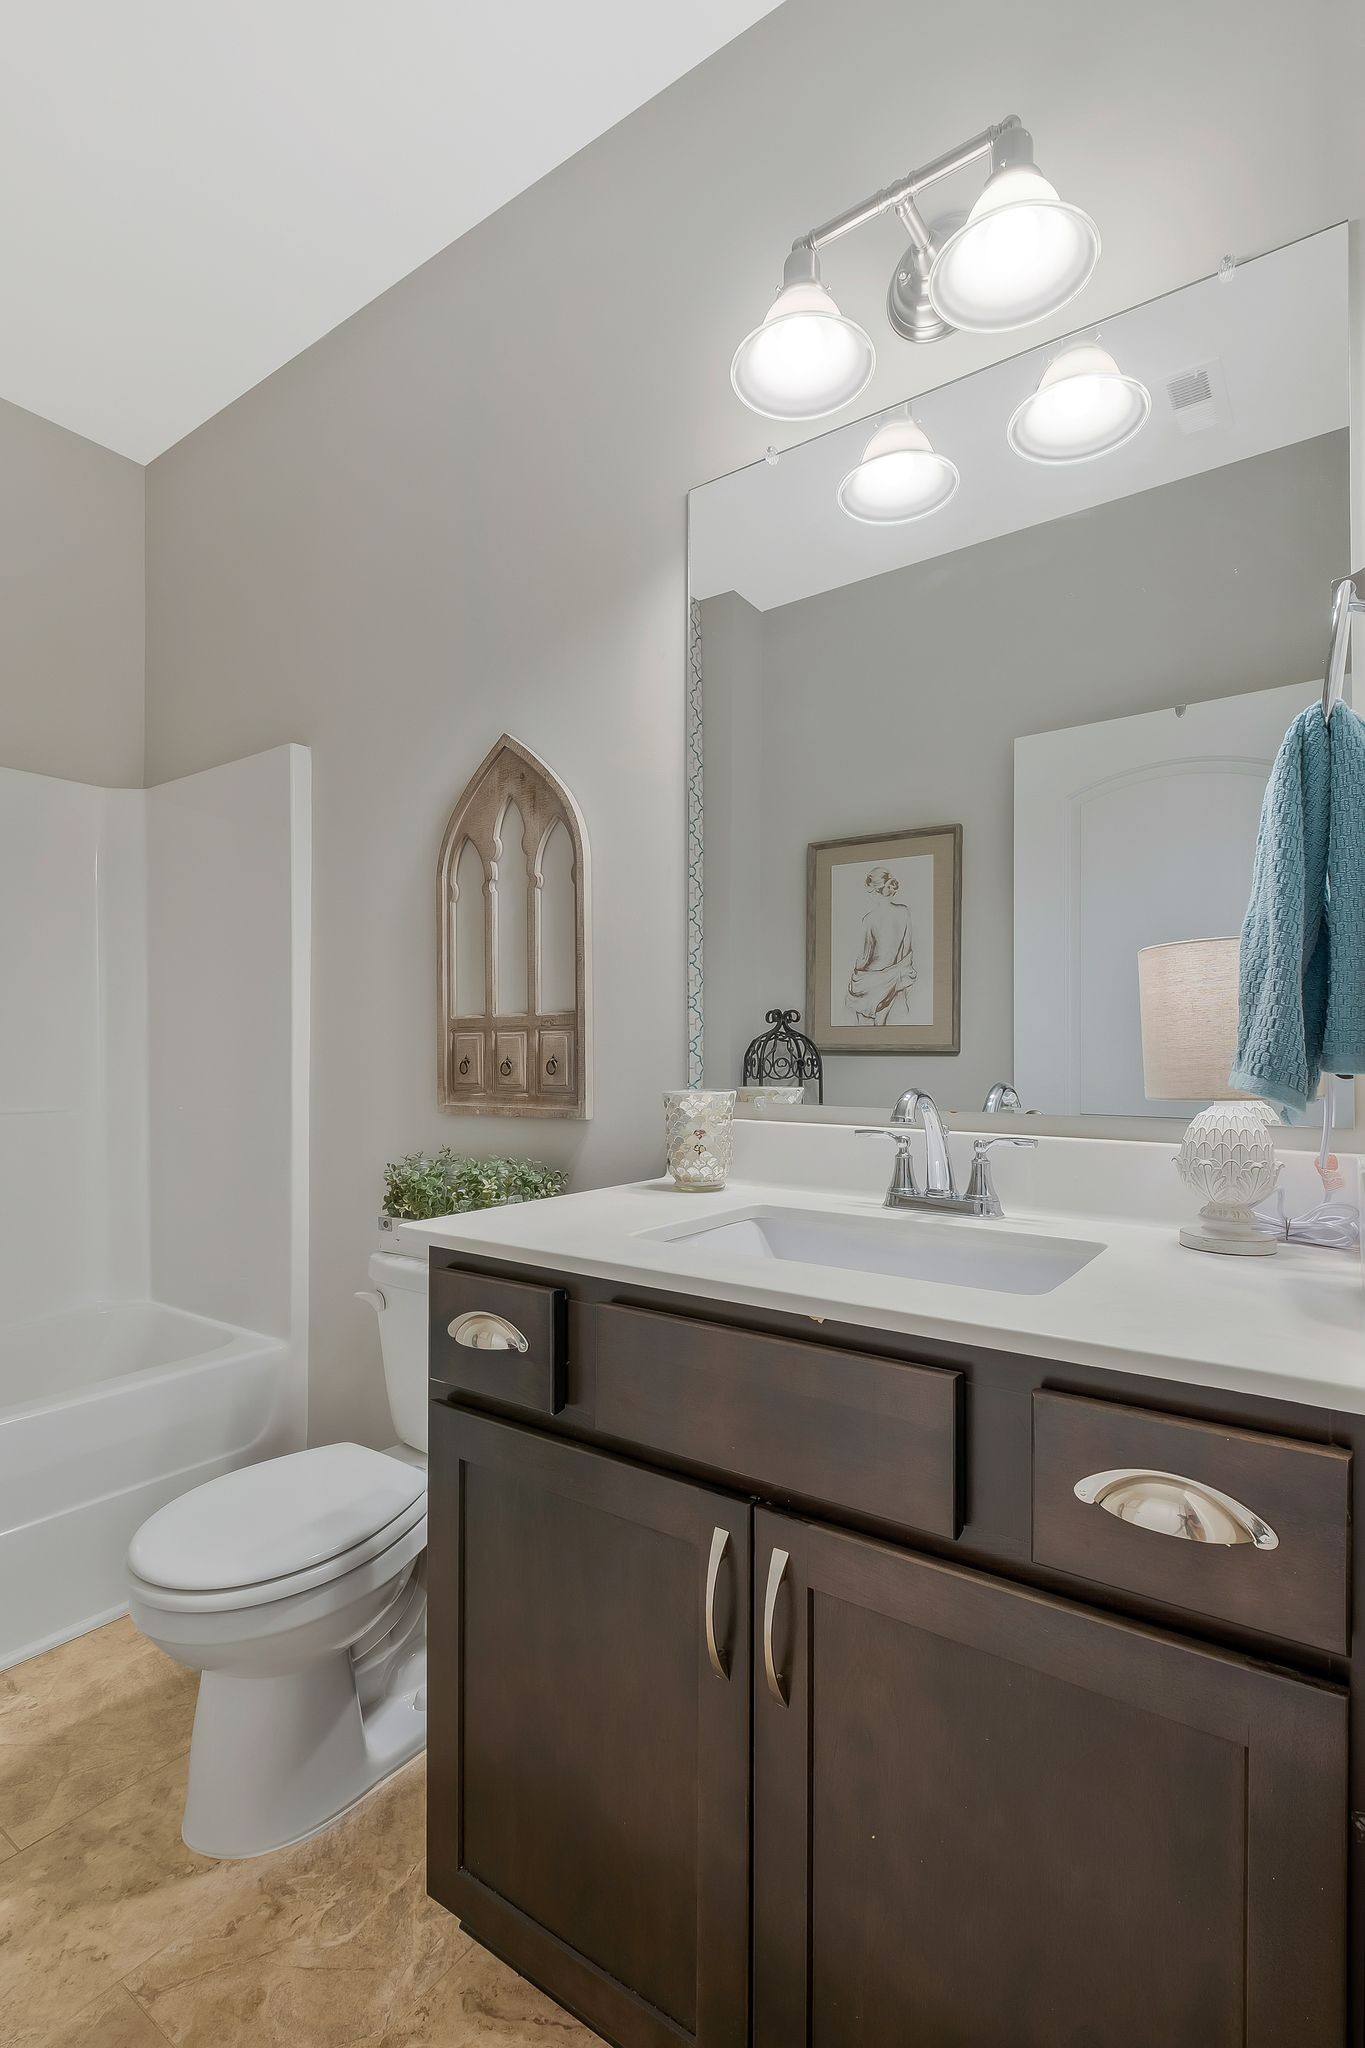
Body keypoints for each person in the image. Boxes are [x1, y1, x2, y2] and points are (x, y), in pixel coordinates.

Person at [846, 866, 917, 1025]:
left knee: (865, 1037)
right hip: (893, 977)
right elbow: (907, 950)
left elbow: (864, 958)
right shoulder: (905, 912)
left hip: (870, 981)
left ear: (874, 890)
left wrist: (856, 973)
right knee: (883, 1032)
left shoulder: (869, 920)